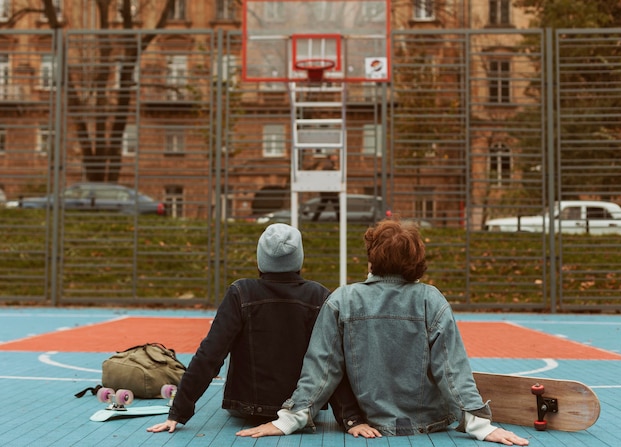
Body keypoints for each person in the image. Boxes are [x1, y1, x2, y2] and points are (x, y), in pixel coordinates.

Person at [237, 220, 529, 445]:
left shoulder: (342, 299)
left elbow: (321, 368)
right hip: (431, 423)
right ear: (416, 260)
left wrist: (289, 419)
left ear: (371, 256)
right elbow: (451, 370)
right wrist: (480, 425)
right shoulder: (431, 299)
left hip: (369, 425)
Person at [147, 223, 374, 436]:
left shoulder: (241, 292)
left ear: (260, 260)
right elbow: (332, 361)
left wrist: (178, 412)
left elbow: (210, 354)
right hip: (302, 409)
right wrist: (351, 418)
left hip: (247, 409)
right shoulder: (319, 295)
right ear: (299, 260)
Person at [311, 154, 340, 222]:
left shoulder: (329, 163)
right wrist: (335, 170)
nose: (336, 157)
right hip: (329, 191)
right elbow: (328, 175)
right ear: (331, 157)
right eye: (335, 155)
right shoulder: (328, 164)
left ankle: (314, 220)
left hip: (328, 191)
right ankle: (340, 220)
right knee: (336, 207)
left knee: (323, 206)